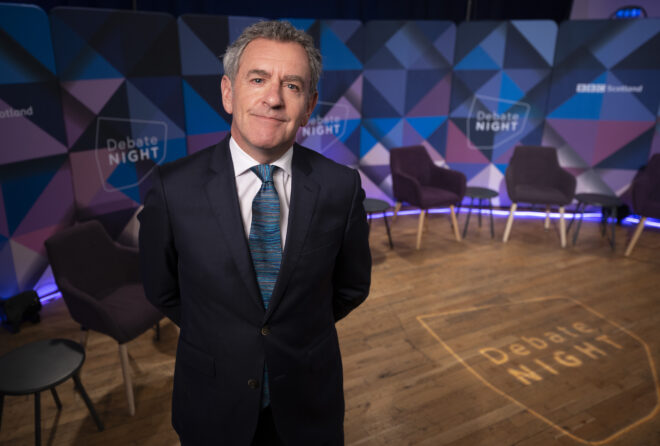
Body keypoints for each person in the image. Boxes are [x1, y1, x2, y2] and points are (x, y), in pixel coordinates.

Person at [138, 20, 371, 446]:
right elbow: (161, 288)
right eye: (258, 79)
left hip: (308, 405)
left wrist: (293, 330)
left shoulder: (341, 187)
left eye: (292, 86)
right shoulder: (173, 189)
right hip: (212, 404)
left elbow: (352, 286)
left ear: (309, 105)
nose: (273, 98)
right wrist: (225, 335)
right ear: (228, 92)